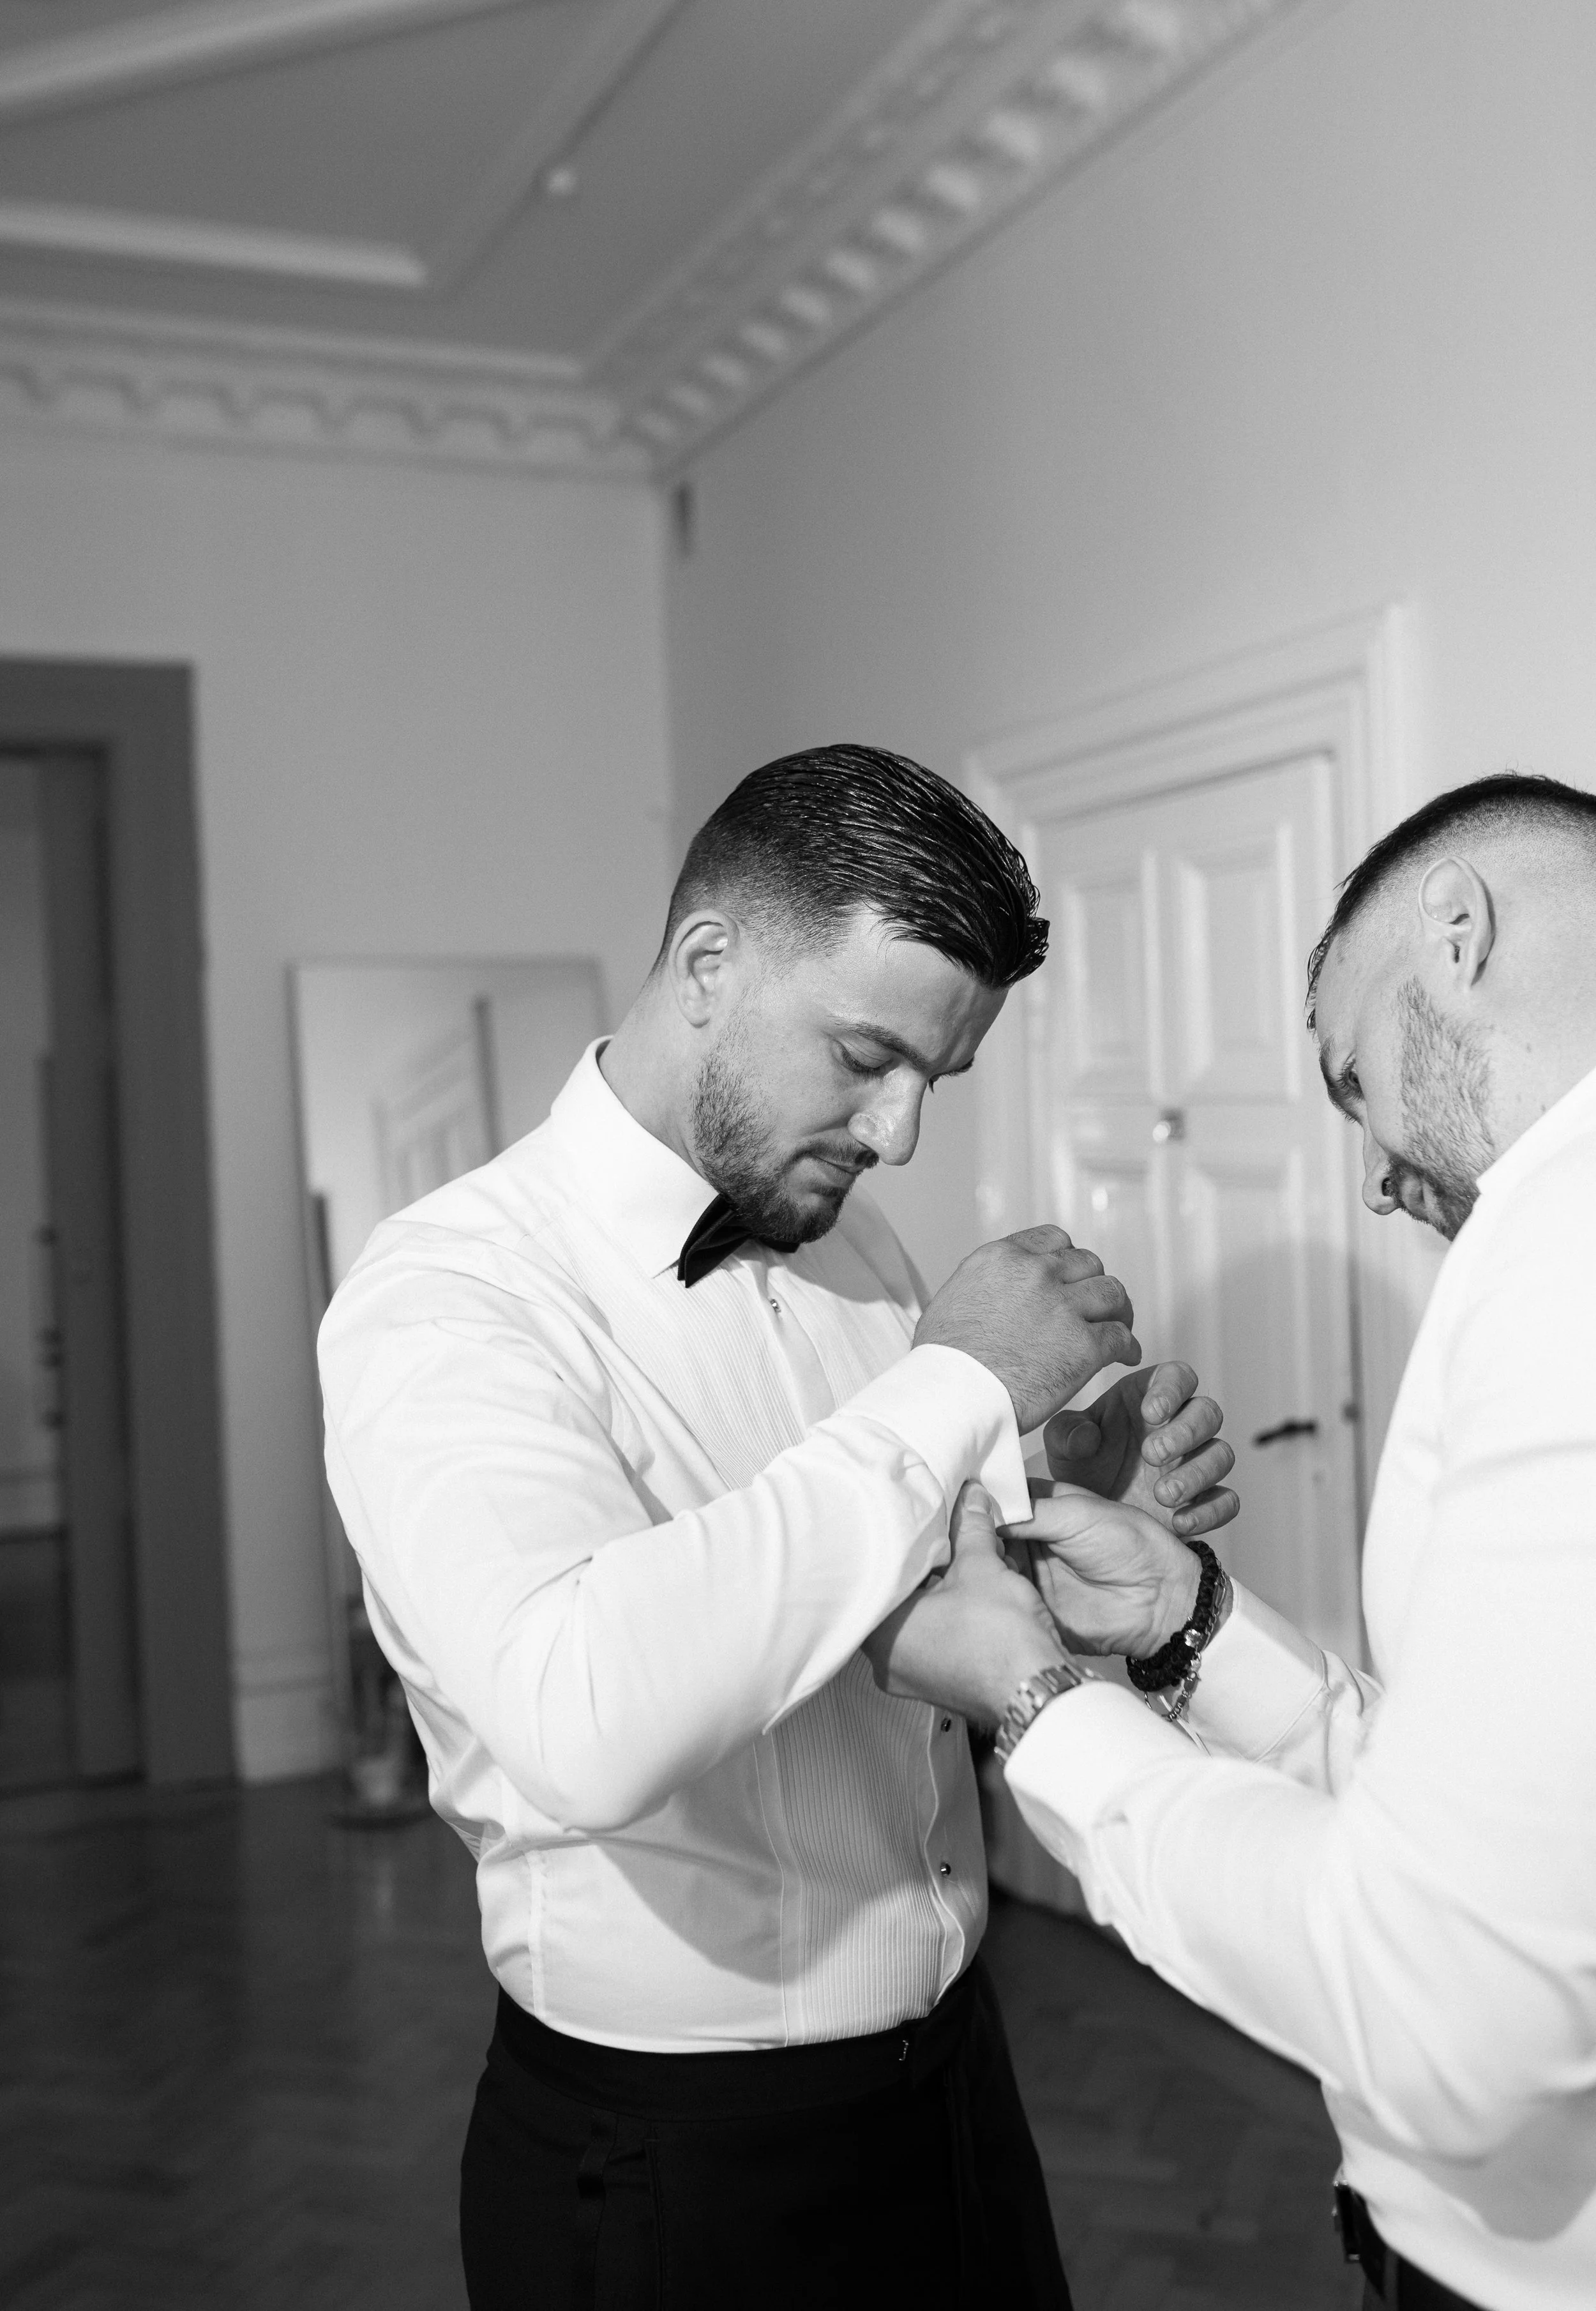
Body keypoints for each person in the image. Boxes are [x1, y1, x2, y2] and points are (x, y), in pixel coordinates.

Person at [317, 743, 1238, 2310]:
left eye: (930, 1080)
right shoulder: (446, 1297)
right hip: (678, 2162)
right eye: (866, 1056)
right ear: (707, 964)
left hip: (954, 2083)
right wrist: (952, 1380)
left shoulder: (848, 1232)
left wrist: (1052, 1508)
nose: (898, 1135)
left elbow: (868, 1596)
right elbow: (584, 1715)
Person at [877, 771, 1596, 2311]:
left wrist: (1036, 1707)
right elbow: (1507, 1835)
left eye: (1351, 1081)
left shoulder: (1564, 1263)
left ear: (1454, 937)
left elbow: (1441, 2009)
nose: (1373, 1178)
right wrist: (1192, 1625)